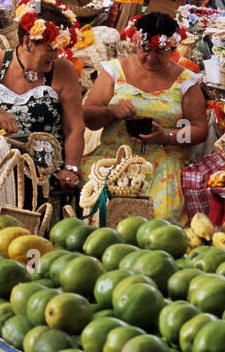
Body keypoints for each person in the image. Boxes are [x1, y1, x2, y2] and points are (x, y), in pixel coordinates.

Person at [81, 13, 209, 224]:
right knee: (103, 213)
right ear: (136, 43)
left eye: (160, 51)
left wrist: (167, 136)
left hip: (165, 162)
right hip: (114, 158)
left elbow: (199, 130)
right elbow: (88, 118)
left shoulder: (186, 82)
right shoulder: (114, 71)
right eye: (145, 49)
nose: (151, 58)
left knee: (160, 220)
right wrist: (111, 112)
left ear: (173, 48)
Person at [0, 0, 84, 191]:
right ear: (28, 42)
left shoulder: (64, 70)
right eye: (50, 48)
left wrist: (71, 169)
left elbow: (75, 128)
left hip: (47, 174)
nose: (56, 55)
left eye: (59, 48)